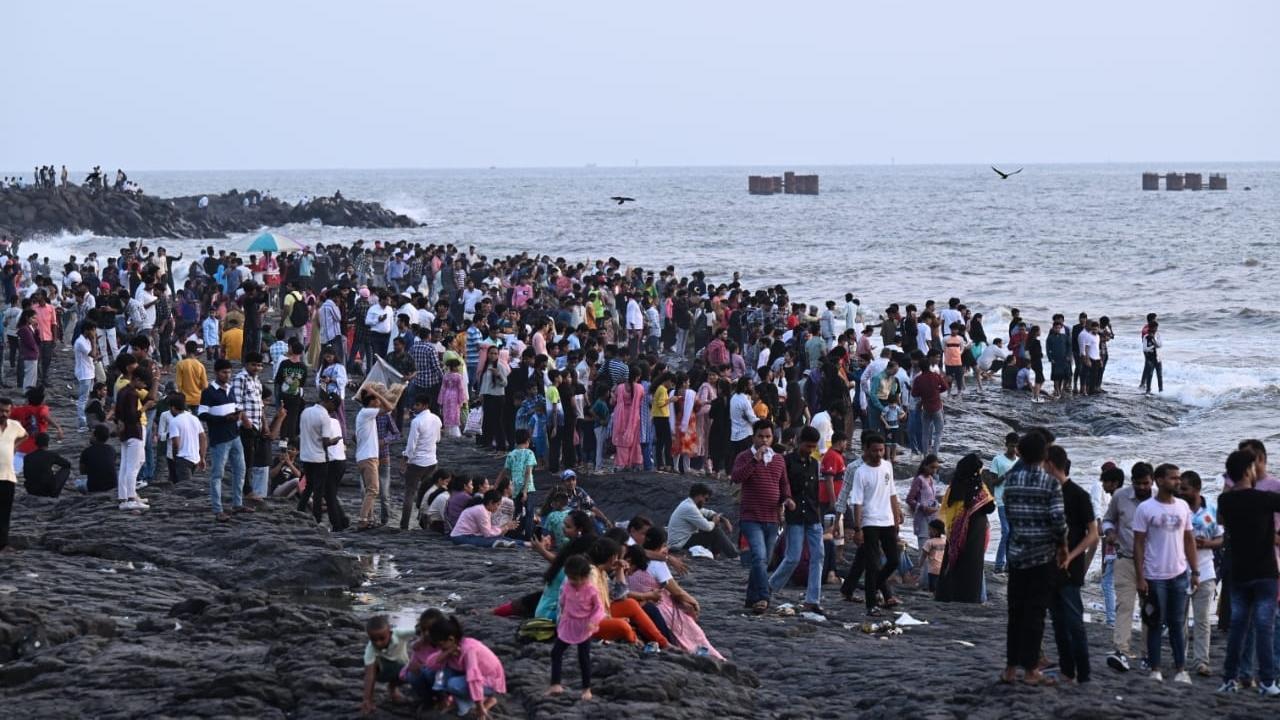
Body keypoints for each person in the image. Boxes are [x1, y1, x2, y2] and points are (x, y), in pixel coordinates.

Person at [1000, 432, 1066, 686]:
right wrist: (1061, 546)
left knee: (1015, 613)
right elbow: (1058, 521)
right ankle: (1030, 671)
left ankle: (1009, 669)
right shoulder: (1050, 483)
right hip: (1042, 556)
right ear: (1044, 455)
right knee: (1035, 614)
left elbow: (1010, 512)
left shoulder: (1012, 481)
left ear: (1020, 453)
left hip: (1017, 555)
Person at [1217, 448, 1280, 696]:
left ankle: (1229, 679)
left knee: (1238, 628)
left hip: (1239, 572)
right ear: (1247, 470)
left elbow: (1222, 521)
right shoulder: (1263, 499)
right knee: (1265, 628)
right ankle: (1267, 681)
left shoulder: (1226, 501)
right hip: (1265, 572)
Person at [1133, 462, 1198, 684]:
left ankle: (1181, 669)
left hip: (1179, 573)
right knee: (1154, 622)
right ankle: (1156, 669)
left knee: (1178, 623)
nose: (1178, 482)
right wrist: (1140, 577)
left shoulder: (1182, 506)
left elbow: (1189, 539)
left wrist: (1195, 570)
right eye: (1173, 478)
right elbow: (1139, 543)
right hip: (1154, 575)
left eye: (1179, 478)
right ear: (1160, 480)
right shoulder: (1146, 508)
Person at [1045, 445, 1097, 685]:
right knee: (1057, 621)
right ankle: (1067, 671)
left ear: (1051, 465)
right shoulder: (1047, 493)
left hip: (1069, 569)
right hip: (1047, 567)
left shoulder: (1078, 494)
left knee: (1074, 621)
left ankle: (1083, 674)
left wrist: (1072, 556)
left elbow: (1093, 534)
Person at [731, 419, 790, 613]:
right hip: (750, 517)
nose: (764, 440)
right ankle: (764, 596)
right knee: (759, 557)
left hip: (772, 518)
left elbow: (783, 484)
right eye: (760, 436)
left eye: (768, 436)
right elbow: (737, 477)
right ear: (753, 437)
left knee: (764, 560)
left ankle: (751, 598)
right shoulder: (743, 456)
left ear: (773, 438)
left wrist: (787, 499)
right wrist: (755, 459)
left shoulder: (779, 459)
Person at [844, 434, 904, 616]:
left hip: (887, 520)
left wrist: (896, 516)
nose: (878, 453)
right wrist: (858, 528)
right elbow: (857, 502)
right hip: (869, 521)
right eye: (875, 450)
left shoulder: (887, 466)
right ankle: (871, 605)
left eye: (881, 450)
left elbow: (892, 493)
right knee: (872, 563)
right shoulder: (861, 472)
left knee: (894, 560)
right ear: (866, 450)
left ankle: (874, 585)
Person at [1103, 462, 1153, 673]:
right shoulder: (1120, 497)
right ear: (1132, 481)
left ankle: (1148, 654)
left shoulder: (1160, 498)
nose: (1143, 487)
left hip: (1152, 563)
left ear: (1152, 481)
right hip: (1125, 557)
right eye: (1139, 483)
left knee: (1149, 609)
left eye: (1146, 483)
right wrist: (1110, 533)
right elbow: (1107, 520)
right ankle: (1121, 650)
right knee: (1124, 605)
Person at [769, 425, 825, 613]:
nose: (810, 451)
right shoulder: (785, 462)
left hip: (812, 515)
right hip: (794, 516)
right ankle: (771, 587)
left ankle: (812, 599)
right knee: (792, 557)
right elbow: (780, 487)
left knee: (818, 555)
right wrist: (783, 504)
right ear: (799, 442)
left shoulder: (814, 464)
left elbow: (815, 490)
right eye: (808, 446)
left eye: (813, 447)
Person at [935, 453, 995, 603]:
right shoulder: (978, 486)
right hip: (975, 528)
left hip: (955, 529)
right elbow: (990, 507)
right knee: (971, 561)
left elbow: (948, 507)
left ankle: (947, 593)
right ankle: (968, 596)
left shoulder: (954, 485)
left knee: (953, 559)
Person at [1180, 470, 1222, 677]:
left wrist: (1207, 543)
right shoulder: (1177, 509)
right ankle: (1181, 659)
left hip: (1205, 569)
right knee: (1179, 620)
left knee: (1202, 619)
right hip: (1178, 570)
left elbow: (1222, 538)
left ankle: (1201, 661)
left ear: (1197, 489)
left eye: (1185, 488)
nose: (1181, 491)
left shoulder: (1211, 510)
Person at [423, 616, 505, 718]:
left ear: (451, 639)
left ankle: (485, 701)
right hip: (469, 676)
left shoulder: (469, 650)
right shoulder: (451, 646)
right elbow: (429, 665)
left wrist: (479, 707)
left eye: (440, 645)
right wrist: (447, 652)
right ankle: (455, 702)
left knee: (453, 684)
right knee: (435, 672)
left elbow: (474, 678)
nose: (439, 648)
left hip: (489, 681)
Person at [547, 554, 603, 701]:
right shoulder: (567, 586)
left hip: (584, 626)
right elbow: (562, 602)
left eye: (579, 579)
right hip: (568, 624)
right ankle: (555, 684)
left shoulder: (591, 590)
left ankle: (586, 689)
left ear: (586, 576)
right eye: (572, 578)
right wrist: (563, 616)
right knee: (556, 653)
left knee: (583, 658)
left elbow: (599, 609)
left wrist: (593, 621)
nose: (576, 582)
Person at [199, 359, 248, 522]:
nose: (227, 375)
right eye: (224, 372)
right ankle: (217, 509)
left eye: (229, 372)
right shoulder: (208, 392)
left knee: (240, 470)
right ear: (216, 372)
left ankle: (237, 503)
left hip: (234, 435)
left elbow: (234, 408)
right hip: (219, 438)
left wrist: (236, 415)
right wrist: (223, 419)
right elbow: (202, 414)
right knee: (217, 474)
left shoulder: (230, 389)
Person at [298, 392, 346, 530]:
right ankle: (317, 519)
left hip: (305, 455)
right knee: (319, 491)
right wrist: (335, 440)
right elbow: (325, 442)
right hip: (319, 457)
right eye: (334, 407)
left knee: (308, 487)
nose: (333, 411)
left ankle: (300, 511)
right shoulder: (324, 416)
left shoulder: (306, 412)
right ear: (330, 403)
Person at [354, 387, 394, 530]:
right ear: (371, 402)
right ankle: (363, 519)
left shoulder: (364, 414)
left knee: (369, 489)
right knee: (373, 490)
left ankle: (369, 518)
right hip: (368, 457)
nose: (378, 401)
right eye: (376, 399)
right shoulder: (366, 412)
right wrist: (377, 393)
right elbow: (389, 408)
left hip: (364, 457)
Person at [401, 394, 442, 530]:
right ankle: (426, 523)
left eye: (417, 405)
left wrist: (405, 459)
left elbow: (411, 445)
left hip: (417, 462)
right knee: (429, 492)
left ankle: (404, 524)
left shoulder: (416, 422)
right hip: (431, 461)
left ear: (424, 405)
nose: (414, 407)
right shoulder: (436, 419)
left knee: (409, 493)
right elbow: (437, 439)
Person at [665, 482, 737, 559]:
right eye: (706, 499)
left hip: (682, 539)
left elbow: (707, 512)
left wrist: (724, 519)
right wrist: (714, 521)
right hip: (679, 543)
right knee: (715, 531)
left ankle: (716, 555)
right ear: (699, 496)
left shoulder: (689, 504)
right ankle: (734, 556)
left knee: (712, 523)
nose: (705, 502)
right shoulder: (690, 507)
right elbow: (707, 527)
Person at [360, 615, 413, 716]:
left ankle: (392, 688)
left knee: (414, 670)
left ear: (390, 632)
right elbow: (369, 675)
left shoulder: (399, 633)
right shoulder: (370, 649)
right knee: (373, 665)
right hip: (384, 672)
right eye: (373, 639)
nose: (378, 643)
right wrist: (367, 699)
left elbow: (419, 630)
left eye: (382, 638)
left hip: (403, 668)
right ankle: (381, 695)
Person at [496, 428, 537, 539]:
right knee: (529, 513)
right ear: (528, 440)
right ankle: (528, 537)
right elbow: (528, 472)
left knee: (517, 513)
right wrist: (525, 491)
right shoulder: (529, 453)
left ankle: (515, 534)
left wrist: (495, 485)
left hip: (515, 488)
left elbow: (504, 472)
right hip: (528, 488)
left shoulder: (511, 454)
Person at [451, 489, 519, 547]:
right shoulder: (481, 510)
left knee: (500, 538)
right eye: (497, 504)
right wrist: (504, 527)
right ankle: (498, 544)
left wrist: (504, 527)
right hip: (460, 537)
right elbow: (488, 534)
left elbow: (489, 530)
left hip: (468, 535)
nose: (498, 508)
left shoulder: (485, 510)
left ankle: (526, 543)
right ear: (490, 502)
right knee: (493, 540)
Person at [991, 431, 1018, 573]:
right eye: (1011, 446)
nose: (1013, 449)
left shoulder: (1019, 462)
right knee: (1006, 531)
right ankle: (998, 564)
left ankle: (1009, 564)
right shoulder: (998, 460)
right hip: (1002, 499)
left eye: (1016, 447)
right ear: (1006, 445)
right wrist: (1006, 475)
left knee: (1012, 533)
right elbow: (993, 482)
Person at [164, 394, 206, 486]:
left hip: (183, 458)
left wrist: (175, 458)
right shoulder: (194, 418)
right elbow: (203, 438)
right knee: (188, 485)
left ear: (173, 408)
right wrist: (202, 457)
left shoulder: (174, 422)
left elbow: (176, 443)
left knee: (185, 487)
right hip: (195, 458)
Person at [0, 397, 25, 550]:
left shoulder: (15, 426)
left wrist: (14, 447)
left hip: (8, 477)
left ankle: (3, 543)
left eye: (6, 411)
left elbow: (25, 436)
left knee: (5, 512)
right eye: (1, 410)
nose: (3, 414)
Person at [20, 432, 71, 498]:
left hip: (31, 489)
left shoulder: (27, 457)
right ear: (47, 443)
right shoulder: (51, 455)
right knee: (66, 470)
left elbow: (26, 474)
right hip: (47, 489)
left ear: (36, 443)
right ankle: (55, 495)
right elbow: (67, 465)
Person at [73, 320, 99, 431]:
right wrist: (94, 341)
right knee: (82, 399)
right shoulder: (80, 342)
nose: (94, 332)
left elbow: (96, 354)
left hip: (89, 371)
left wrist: (94, 341)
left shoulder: (86, 340)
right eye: (92, 330)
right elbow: (93, 354)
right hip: (84, 373)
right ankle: (82, 424)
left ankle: (86, 421)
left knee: (86, 398)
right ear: (87, 330)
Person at [75, 424, 117, 494]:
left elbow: (82, 472)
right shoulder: (111, 449)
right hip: (112, 485)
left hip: (93, 487)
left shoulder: (86, 451)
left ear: (95, 437)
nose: (90, 437)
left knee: (77, 482)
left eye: (91, 435)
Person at [922, 520, 946, 592]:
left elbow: (923, 555)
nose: (928, 531)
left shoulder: (929, 542)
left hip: (932, 570)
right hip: (942, 568)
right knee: (940, 586)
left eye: (929, 529)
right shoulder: (945, 540)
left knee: (932, 588)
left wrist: (919, 565)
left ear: (935, 531)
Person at [1140, 320, 1163, 393]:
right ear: (1151, 328)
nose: (1156, 329)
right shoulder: (1146, 337)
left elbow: (1160, 345)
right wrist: (1153, 346)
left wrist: (1153, 340)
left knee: (1159, 375)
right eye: (1155, 328)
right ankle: (1148, 390)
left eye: (1156, 328)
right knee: (1150, 374)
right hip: (1150, 357)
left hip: (1158, 357)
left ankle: (1161, 390)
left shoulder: (1158, 335)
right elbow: (1145, 348)